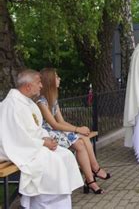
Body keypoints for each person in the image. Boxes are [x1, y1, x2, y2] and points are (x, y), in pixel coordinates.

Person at [0, 69, 83, 208]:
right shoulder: (12, 105)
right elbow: (15, 137)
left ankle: (59, 201)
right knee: (54, 160)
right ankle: (43, 202)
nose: (41, 86)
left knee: (65, 154)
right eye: (38, 83)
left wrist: (46, 138)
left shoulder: (27, 103)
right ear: (28, 86)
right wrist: (43, 143)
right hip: (17, 148)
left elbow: (37, 128)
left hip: (31, 145)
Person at [37, 68, 110, 194]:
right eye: (56, 77)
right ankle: (93, 173)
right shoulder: (41, 102)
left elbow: (61, 121)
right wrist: (76, 129)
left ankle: (92, 177)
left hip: (57, 131)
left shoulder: (53, 99)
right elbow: (54, 124)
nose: (59, 79)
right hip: (47, 134)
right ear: (50, 81)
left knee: (83, 138)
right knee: (81, 141)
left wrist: (78, 129)